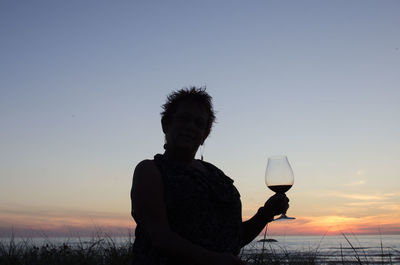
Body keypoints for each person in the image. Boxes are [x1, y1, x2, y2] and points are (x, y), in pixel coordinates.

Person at [130, 87, 289, 265]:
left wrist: (265, 214)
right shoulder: (150, 171)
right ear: (166, 124)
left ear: (205, 135)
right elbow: (160, 237)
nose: (191, 126)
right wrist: (216, 261)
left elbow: (233, 238)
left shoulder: (216, 175)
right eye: (184, 119)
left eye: (199, 123)